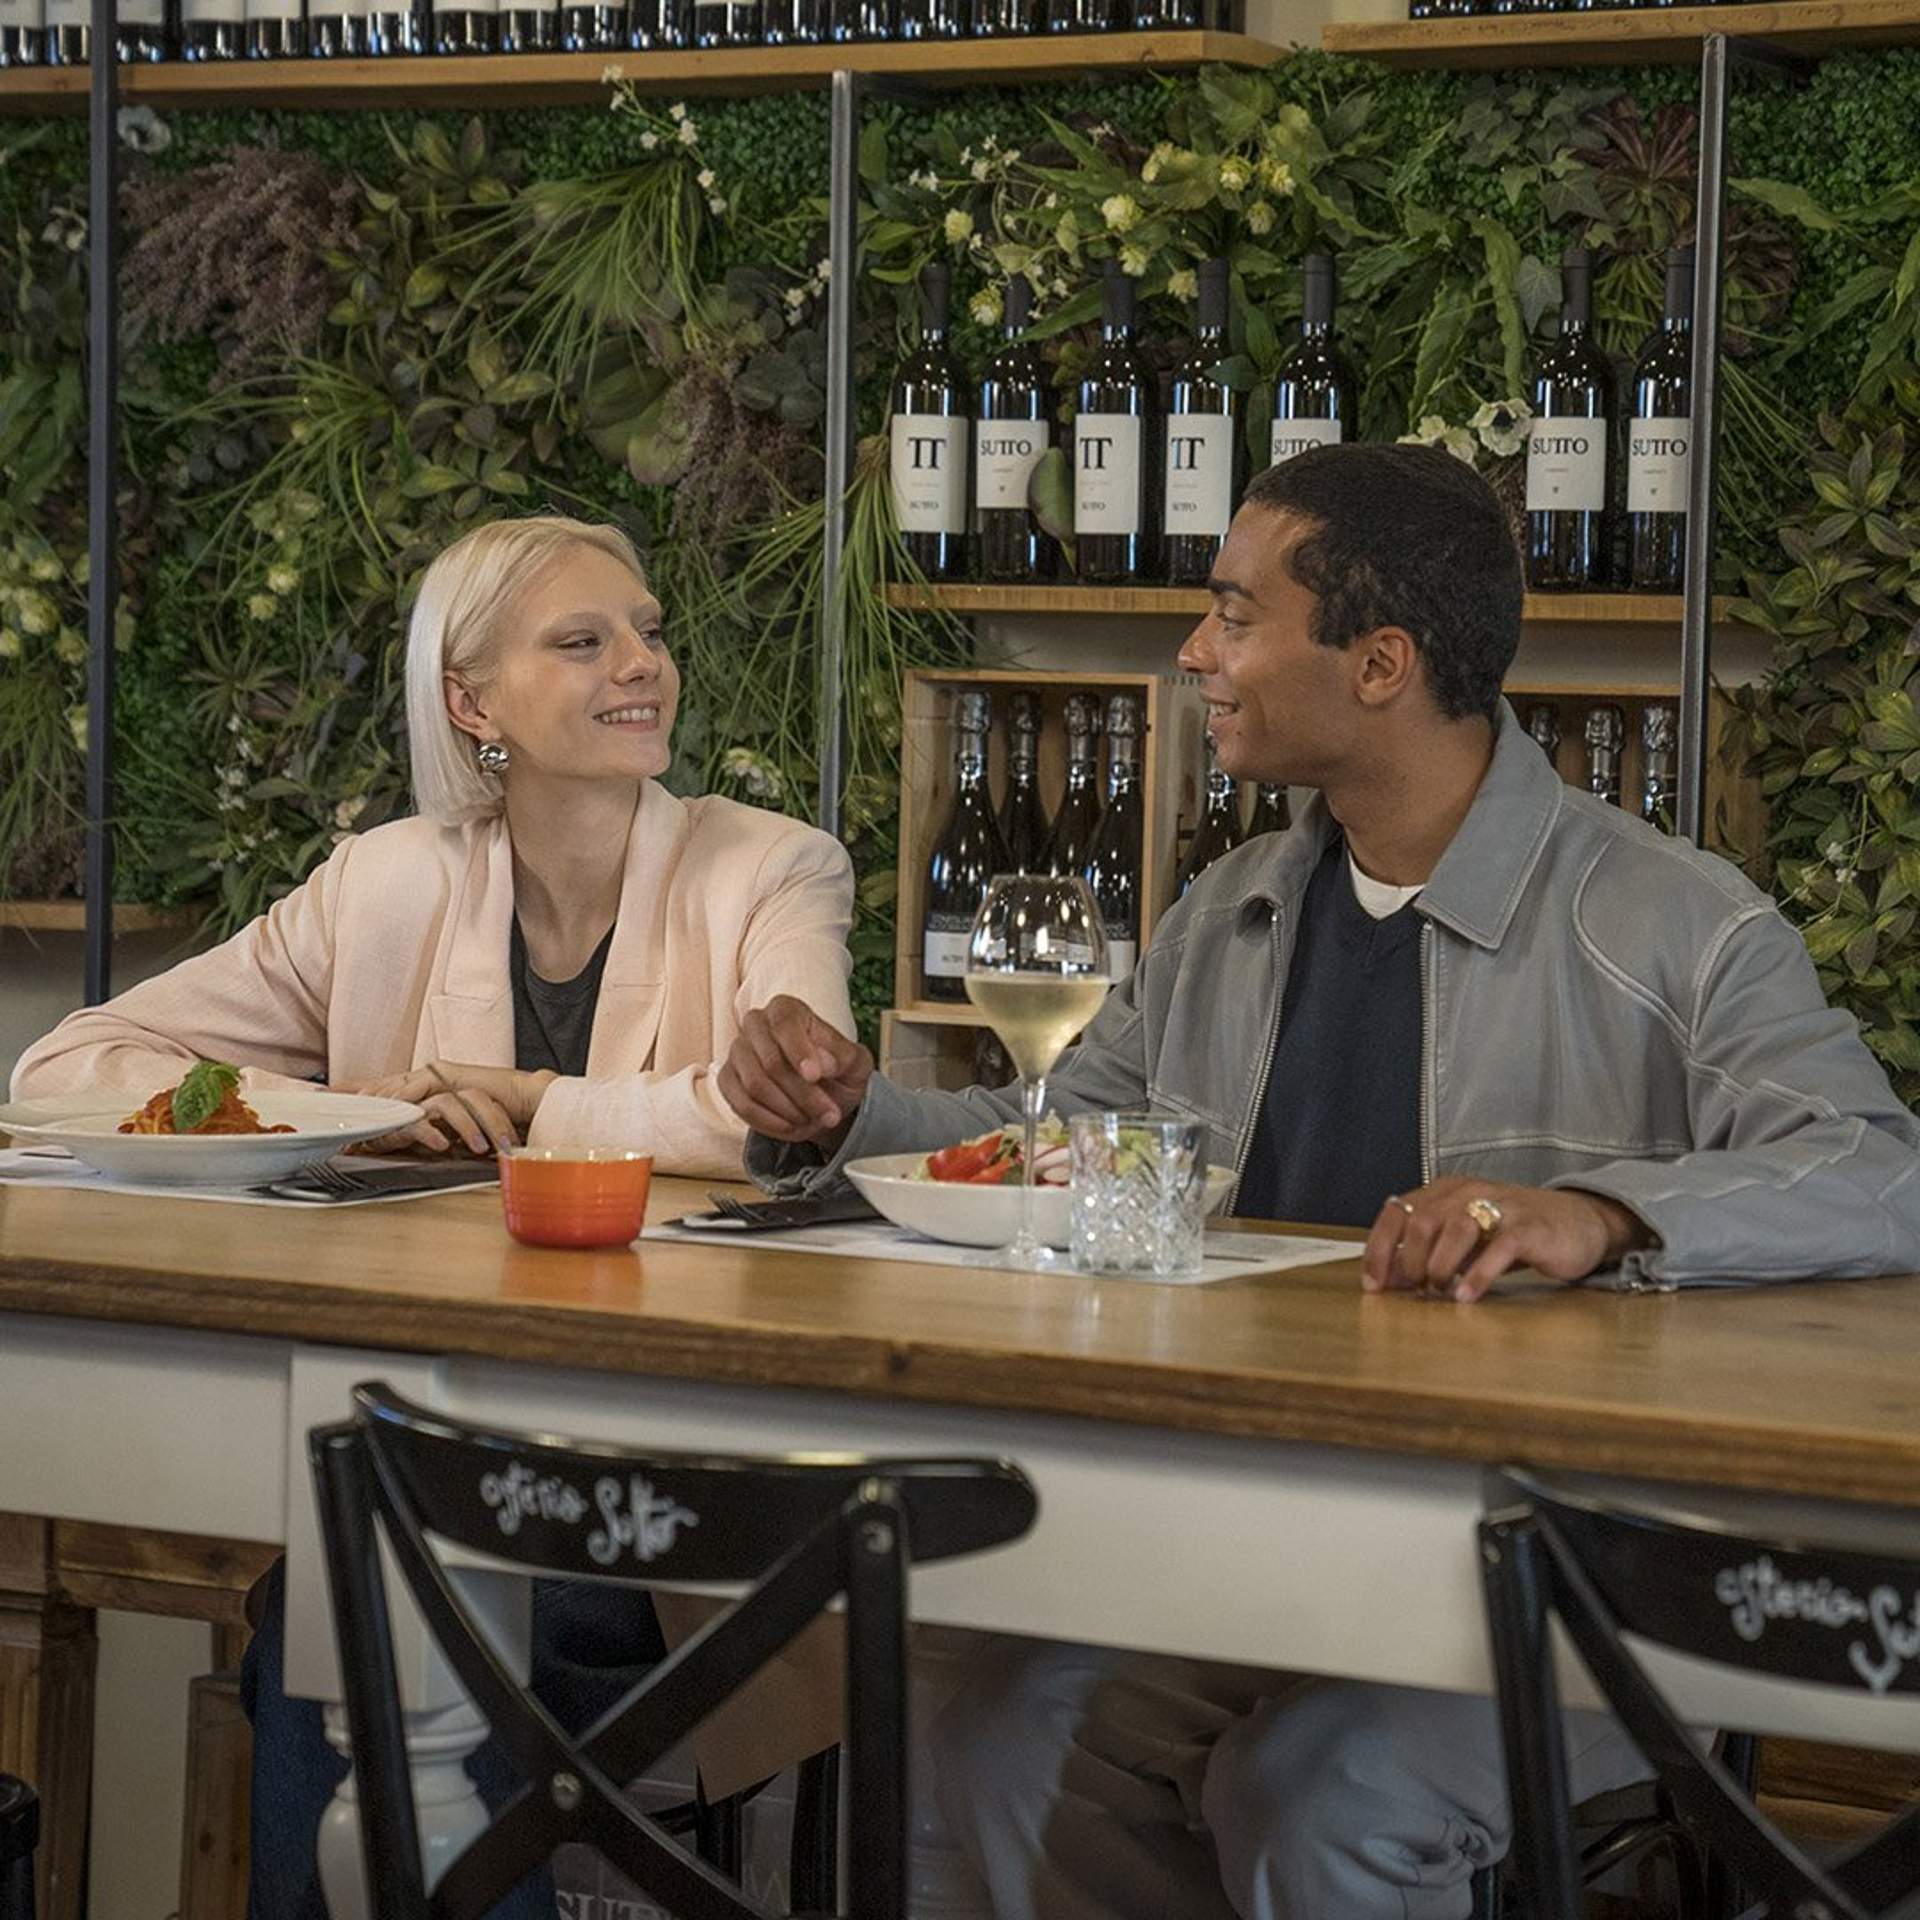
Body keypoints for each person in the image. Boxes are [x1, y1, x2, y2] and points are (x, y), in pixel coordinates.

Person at [717, 443, 1920, 1920]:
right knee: (998, 1737)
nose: (1194, 651)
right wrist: (846, 1115)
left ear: (1379, 663)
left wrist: (1604, 1214)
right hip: (1270, 1540)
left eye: (1233, 614)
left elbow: (1876, 1170)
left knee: (1317, 1794)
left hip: (1570, 1578)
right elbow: (1064, 1146)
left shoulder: (1676, 925)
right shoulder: (1232, 910)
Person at [13, 511, 857, 1920]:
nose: (642, 663)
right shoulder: (385, 882)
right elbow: (70, 1066)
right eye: (583, 641)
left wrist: (525, 1098)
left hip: (678, 1502)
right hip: (428, 1453)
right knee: (356, 1583)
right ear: (473, 703)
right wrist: (350, 1113)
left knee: (358, 1590)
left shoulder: (770, 867)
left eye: (645, 631)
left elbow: (780, 1110)